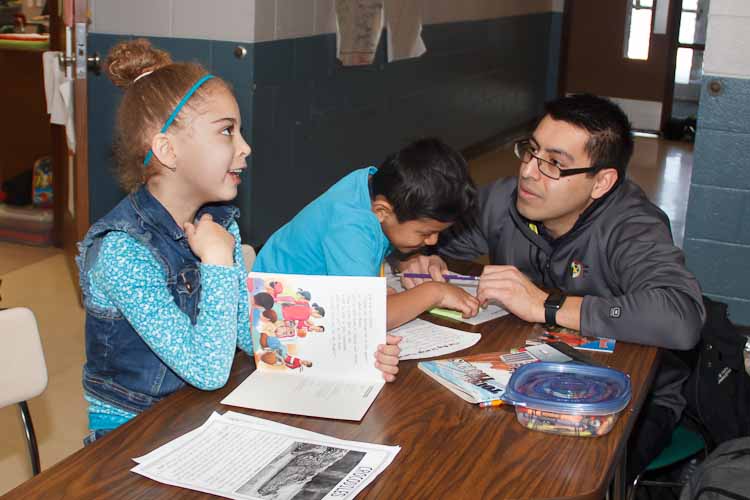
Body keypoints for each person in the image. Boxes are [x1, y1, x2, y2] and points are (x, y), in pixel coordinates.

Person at [76, 39, 399, 443]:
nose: (245, 147)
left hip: (193, 417)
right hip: (129, 438)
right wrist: (215, 261)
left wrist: (348, 353)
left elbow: (252, 334)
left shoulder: (219, 225)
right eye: (227, 131)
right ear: (167, 149)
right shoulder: (123, 251)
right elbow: (209, 371)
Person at [398, 93, 706, 478]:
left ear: (602, 182)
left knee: (558, 478)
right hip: (517, 383)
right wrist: (422, 252)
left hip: (628, 400)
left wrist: (546, 305)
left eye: (554, 165)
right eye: (531, 151)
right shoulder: (504, 201)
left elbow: (680, 317)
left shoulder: (632, 227)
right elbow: (422, 236)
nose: (529, 172)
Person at [253, 138, 481, 328]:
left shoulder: (371, 185)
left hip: (302, 300)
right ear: (382, 210)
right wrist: (435, 292)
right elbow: (366, 319)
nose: (433, 241)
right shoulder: (350, 226)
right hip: (273, 318)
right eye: (425, 233)